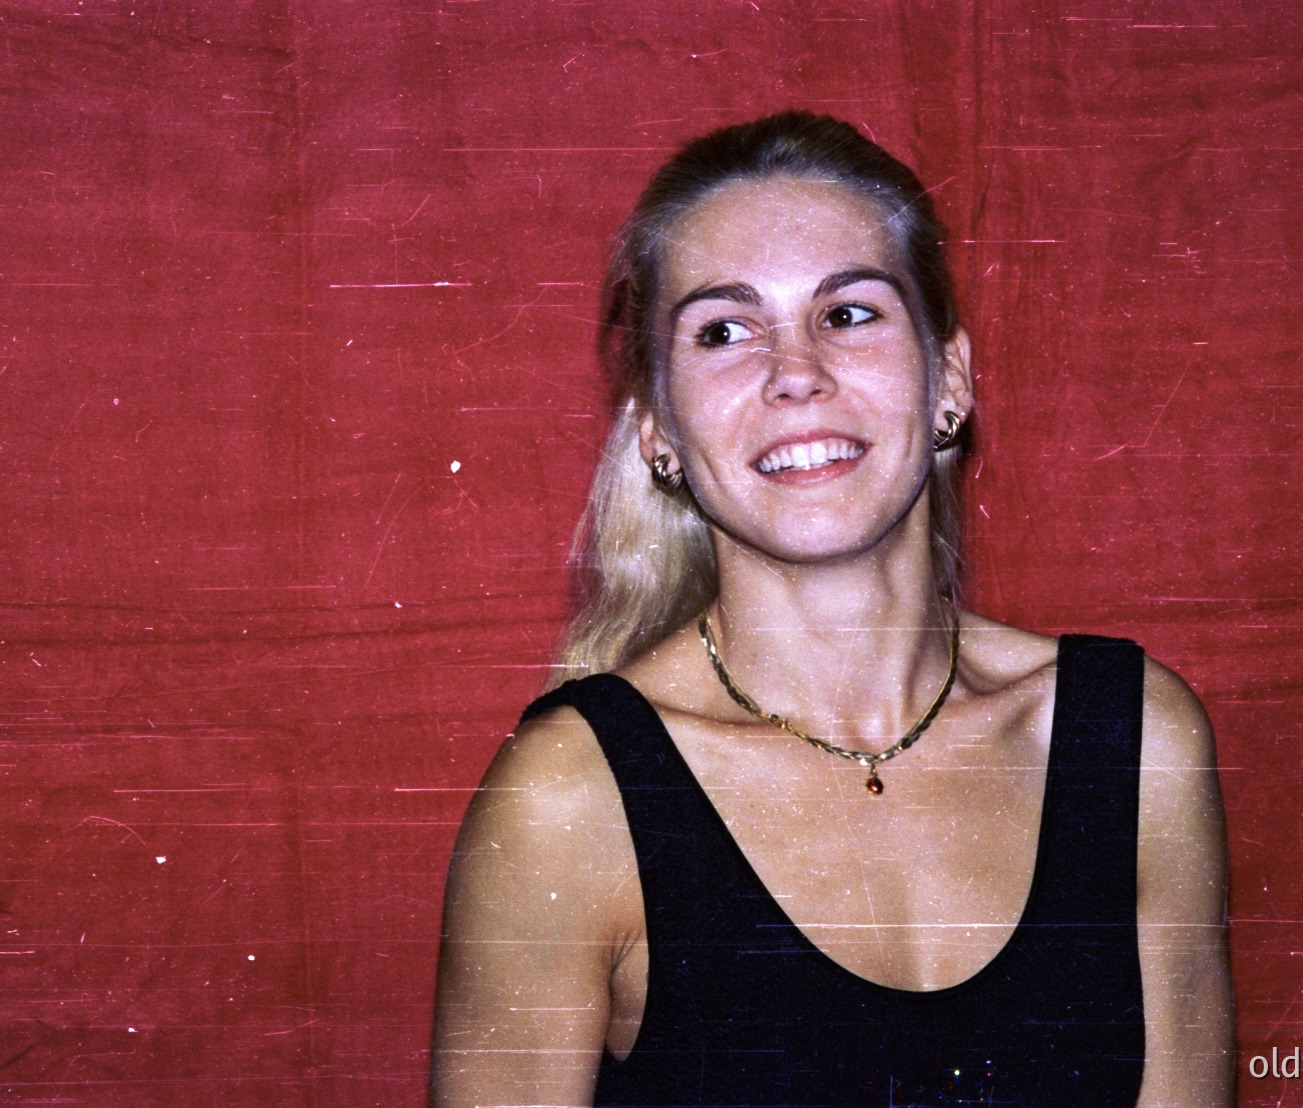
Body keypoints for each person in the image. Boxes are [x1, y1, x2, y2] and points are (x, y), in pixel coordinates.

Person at [431, 111, 1234, 1107]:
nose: (795, 372)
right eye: (723, 330)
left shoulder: (1135, 743)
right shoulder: (568, 802)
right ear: (657, 432)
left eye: (847, 312)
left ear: (949, 378)